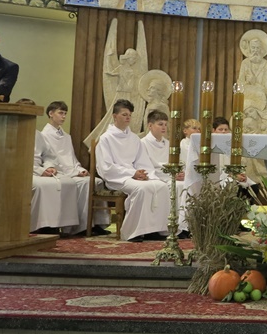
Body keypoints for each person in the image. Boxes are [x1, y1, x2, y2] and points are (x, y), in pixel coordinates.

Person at [95, 99, 171, 242]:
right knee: (141, 189)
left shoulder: (134, 138)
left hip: (134, 176)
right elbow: (106, 167)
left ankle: (153, 230)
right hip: (117, 178)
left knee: (161, 186)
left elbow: (142, 161)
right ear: (115, 116)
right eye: (124, 114)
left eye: (129, 115)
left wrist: (145, 174)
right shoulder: (106, 138)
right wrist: (132, 173)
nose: (128, 118)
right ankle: (133, 232)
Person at [40, 100, 102, 235]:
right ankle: (79, 226)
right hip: (59, 173)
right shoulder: (44, 136)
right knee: (85, 184)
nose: (63, 116)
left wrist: (80, 169)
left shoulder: (66, 137)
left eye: (65, 114)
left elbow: (72, 159)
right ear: (51, 114)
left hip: (71, 171)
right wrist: (73, 173)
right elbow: (51, 160)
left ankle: (94, 224)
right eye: (60, 113)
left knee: (96, 181)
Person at [139, 110, 189, 237]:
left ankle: (182, 227)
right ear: (150, 125)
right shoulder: (142, 143)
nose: (164, 127)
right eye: (160, 124)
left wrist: (179, 172)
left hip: (170, 175)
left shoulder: (168, 144)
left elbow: (177, 162)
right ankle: (163, 228)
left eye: (166, 125)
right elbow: (146, 166)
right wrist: (171, 174)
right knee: (173, 186)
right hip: (155, 176)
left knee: (183, 185)